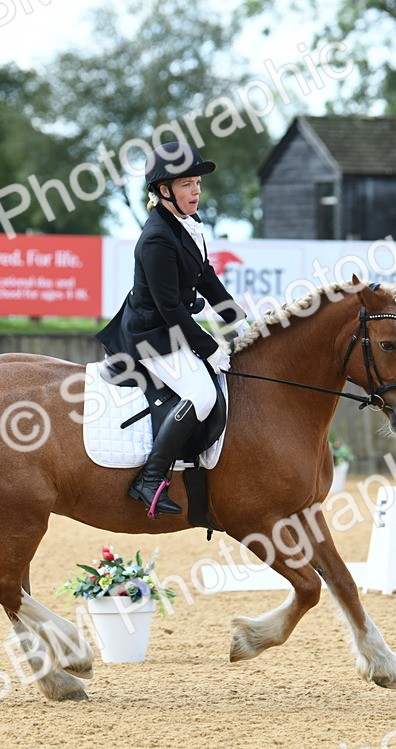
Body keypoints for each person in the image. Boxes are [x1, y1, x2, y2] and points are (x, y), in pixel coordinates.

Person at [97, 141, 247, 516]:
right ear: (164, 190)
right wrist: (211, 346)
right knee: (201, 394)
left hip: (172, 328)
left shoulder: (188, 224)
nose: (196, 190)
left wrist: (240, 321)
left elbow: (207, 278)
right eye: (186, 184)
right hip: (149, 337)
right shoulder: (156, 238)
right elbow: (170, 308)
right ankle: (150, 478)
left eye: (197, 182)